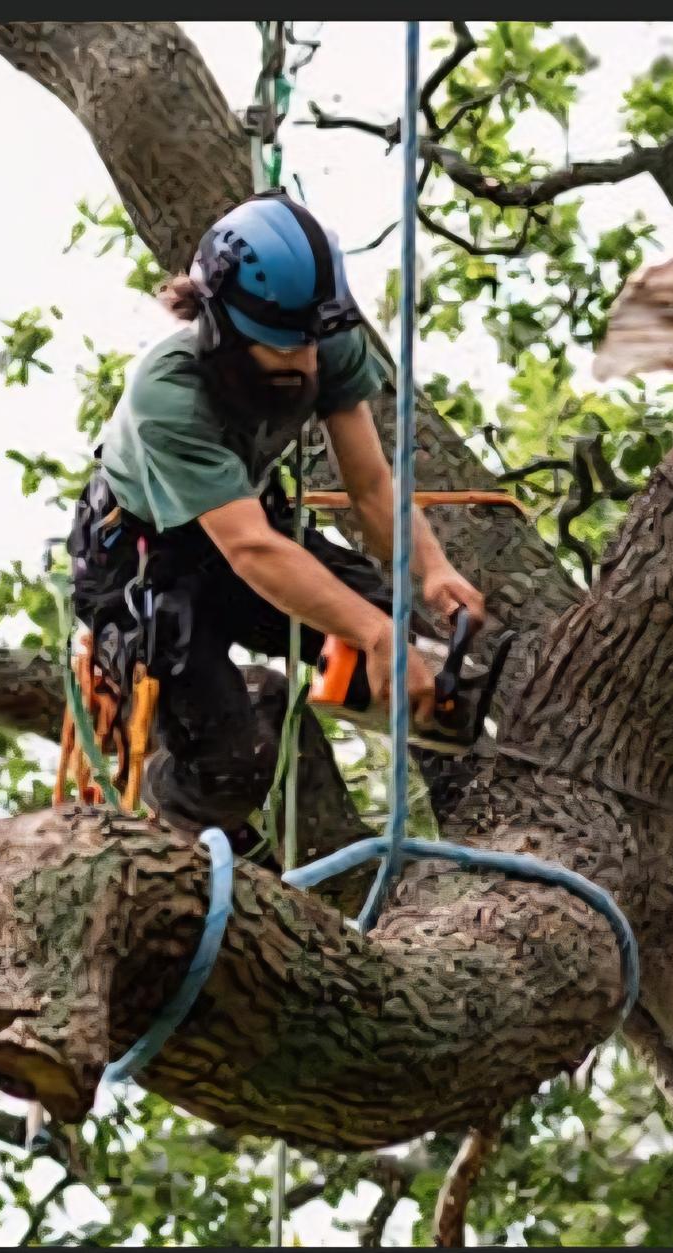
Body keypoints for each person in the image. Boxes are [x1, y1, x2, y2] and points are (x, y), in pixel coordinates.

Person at [67, 190, 485, 841]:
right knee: (234, 761)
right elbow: (252, 551)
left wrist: (431, 570)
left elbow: (371, 485)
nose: (307, 362)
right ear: (221, 328)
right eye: (285, 347)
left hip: (245, 531)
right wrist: (371, 634)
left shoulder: (320, 335)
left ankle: (474, 804)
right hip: (147, 569)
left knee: (423, 658)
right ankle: (175, 810)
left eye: (313, 343)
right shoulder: (168, 394)